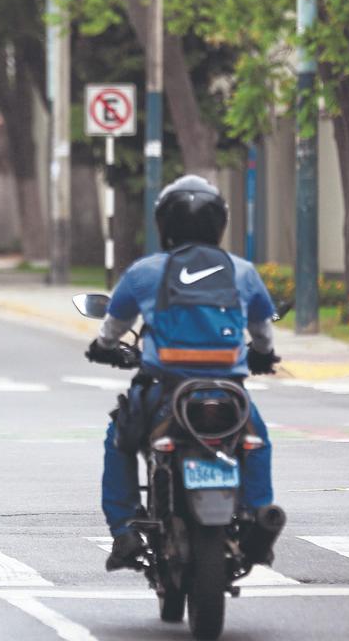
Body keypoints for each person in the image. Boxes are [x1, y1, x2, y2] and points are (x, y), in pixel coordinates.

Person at [87, 174, 281, 571]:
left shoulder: (146, 271)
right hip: (229, 392)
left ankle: (124, 531)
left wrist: (102, 348)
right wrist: (263, 355)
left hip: (164, 391)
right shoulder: (241, 270)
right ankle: (261, 517)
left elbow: (113, 326)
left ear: (164, 223)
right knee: (255, 441)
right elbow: (262, 331)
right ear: (219, 223)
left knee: (119, 440)